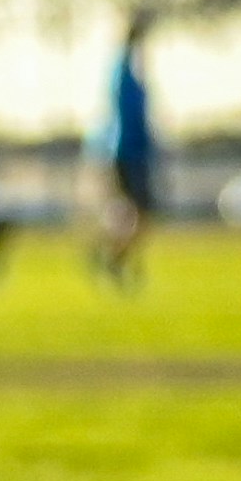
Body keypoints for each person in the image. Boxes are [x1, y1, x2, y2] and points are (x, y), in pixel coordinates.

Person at [80, 17, 160, 293]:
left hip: (135, 154)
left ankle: (112, 256)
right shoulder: (123, 71)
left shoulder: (132, 74)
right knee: (133, 213)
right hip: (124, 153)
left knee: (135, 216)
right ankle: (111, 255)